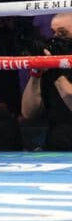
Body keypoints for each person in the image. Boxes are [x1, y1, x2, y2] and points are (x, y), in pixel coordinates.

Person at [21, 13, 72, 150]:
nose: (55, 39)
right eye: (53, 33)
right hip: (56, 148)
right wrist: (36, 73)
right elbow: (28, 113)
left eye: (62, 33)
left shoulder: (55, 70)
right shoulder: (51, 64)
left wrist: (57, 73)